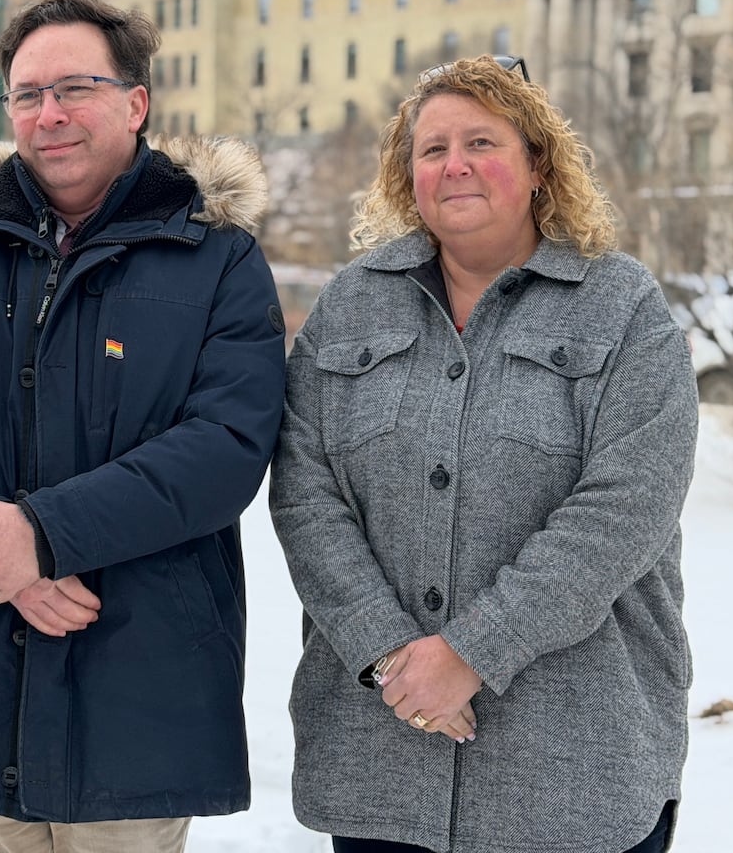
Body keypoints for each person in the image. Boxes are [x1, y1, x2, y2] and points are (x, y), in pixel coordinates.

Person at [0, 0, 286, 852]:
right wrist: (1, 560)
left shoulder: (219, 260)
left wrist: (46, 535)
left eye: (75, 89)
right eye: (28, 94)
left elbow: (225, 448)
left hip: (139, 702)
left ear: (136, 103)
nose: (49, 115)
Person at [269, 54, 698, 853]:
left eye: (482, 143)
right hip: (380, 769)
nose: (454, 165)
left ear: (538, 163)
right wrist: (391, 654)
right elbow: (305, 492)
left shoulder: (624, 307)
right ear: (408, 174)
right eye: (431, 150)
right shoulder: (350, 305)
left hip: (573, 780)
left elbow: (624, 510)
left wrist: (472, 653)